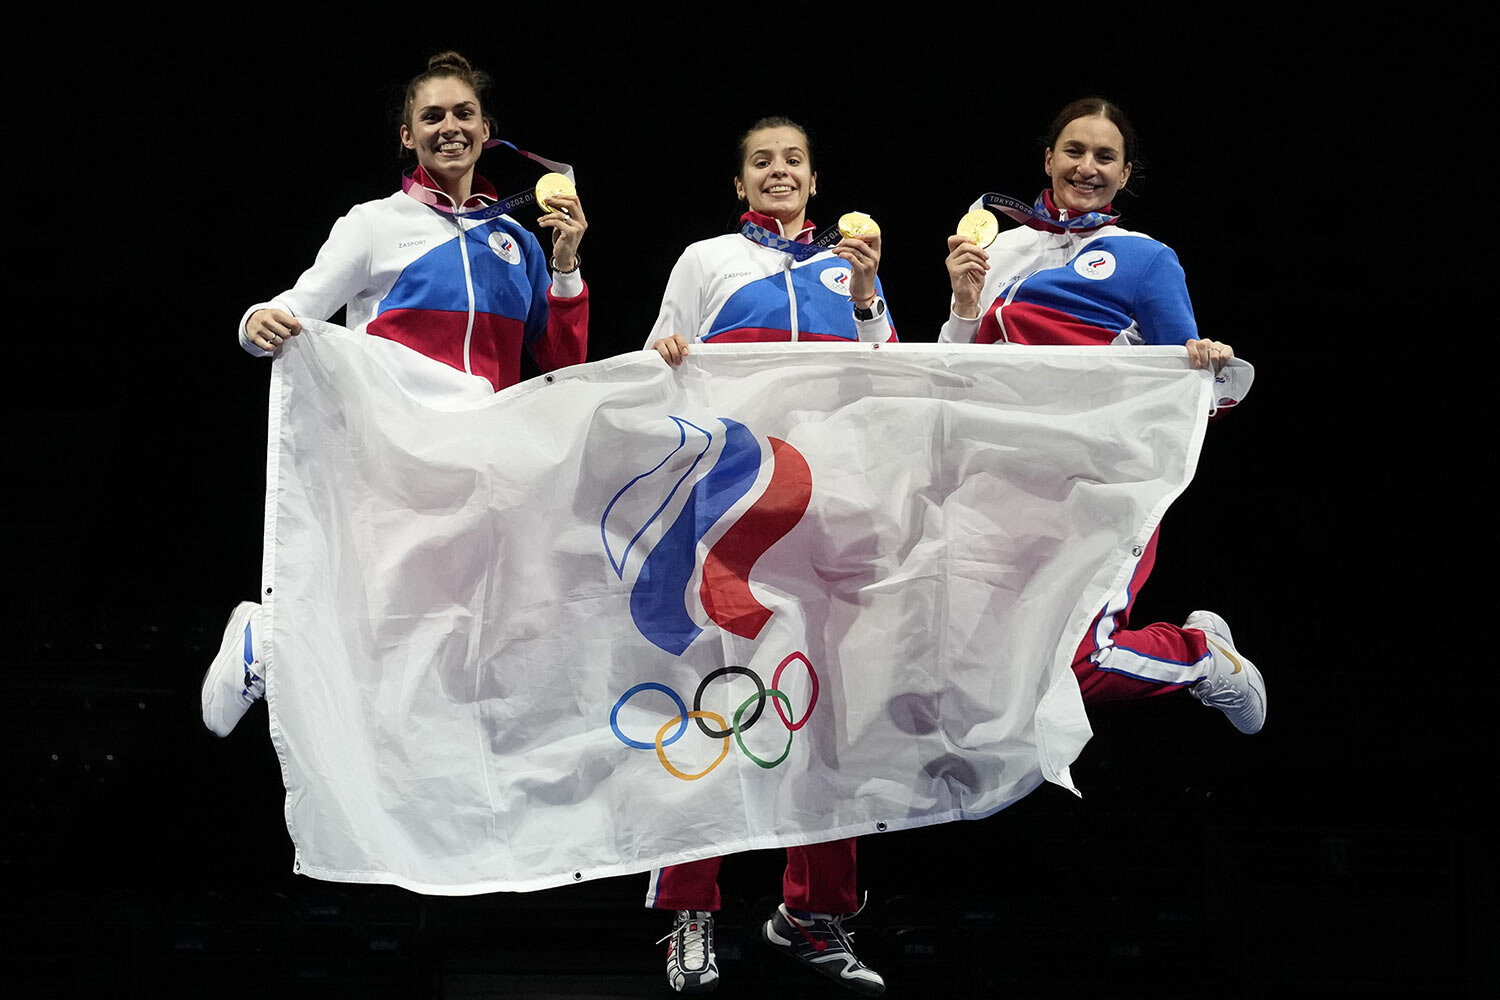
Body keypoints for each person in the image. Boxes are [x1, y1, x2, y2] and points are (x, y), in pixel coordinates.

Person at [201, 51, 590, 740]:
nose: (450, 126)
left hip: (485, 451)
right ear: (407, 136)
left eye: (464, 114)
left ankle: (282, 643)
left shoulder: (516, 240)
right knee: (386, 608)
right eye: (431, 116)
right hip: (398, 440)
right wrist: (252, 322)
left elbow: (560, 360)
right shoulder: (374, 223)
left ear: (486, 129)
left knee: (468, 623)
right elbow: (297, 309)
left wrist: (564, 268)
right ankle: (271, 637)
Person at [644, 117, 892, 997]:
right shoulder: (706, 260)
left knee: (825, 710)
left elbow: (891, 376)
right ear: (739, 185)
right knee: (714, 706)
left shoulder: (850, 265)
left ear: (814, 181)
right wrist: (667, 355)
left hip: (829, 513)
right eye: (761, 163)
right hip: (732, 515)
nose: (778, 172)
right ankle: (690, 915)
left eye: (792, 161)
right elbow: (654, 372)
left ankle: (813, 916)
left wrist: (865, 294)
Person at [939, 97, 1266, 733]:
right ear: (1048, 158)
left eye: (1105, 157)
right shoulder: (1000, 249)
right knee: (978, 664)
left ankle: (1204, 662)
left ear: (1124, 174)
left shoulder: (1146, 258)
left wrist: (1207, 365)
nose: (1087, 167)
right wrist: (962, 302)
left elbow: (1193, 402)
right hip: (999, 487)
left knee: (1079, 664)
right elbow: (957, 377)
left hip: (1098, 488)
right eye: (1075, 151)